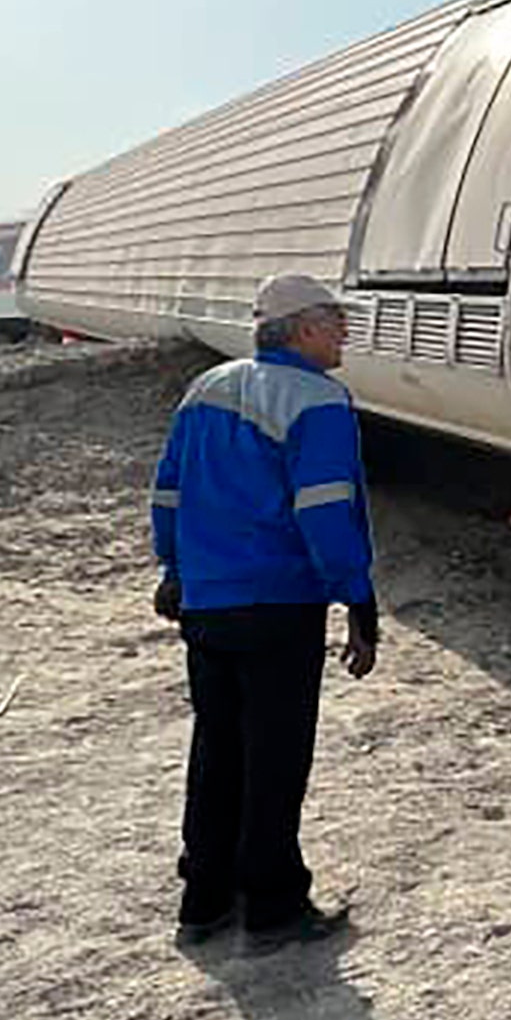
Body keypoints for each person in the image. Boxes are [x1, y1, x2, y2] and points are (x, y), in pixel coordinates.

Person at [148, 272, 377, 949]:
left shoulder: (206, 390)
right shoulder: (317, 400)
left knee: (217, 748)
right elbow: (326, 511)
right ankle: (272, 907)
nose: (344, 331)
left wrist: (174, 570)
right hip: (279, 602)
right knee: (275, 757)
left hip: (208, 603)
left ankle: (203, 901)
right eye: (335, 319)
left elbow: (168, 490)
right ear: (301, 328)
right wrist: (358, 600)